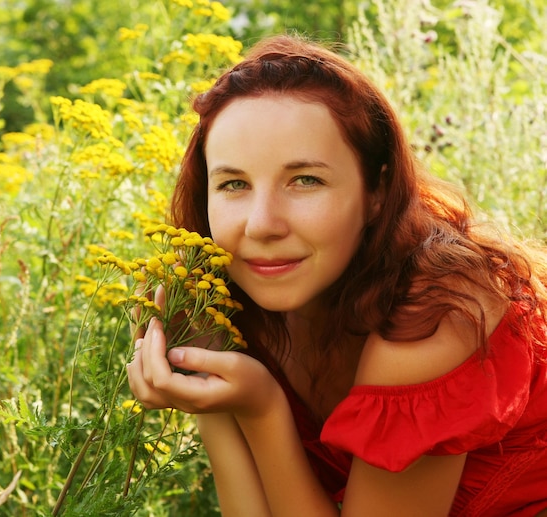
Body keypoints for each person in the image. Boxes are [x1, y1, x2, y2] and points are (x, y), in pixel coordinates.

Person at [127, 35, 547, 516]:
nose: (262, 224)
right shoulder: (221, 300)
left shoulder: (438, 311)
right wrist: (215, 394)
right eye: (234, 184)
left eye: (305, 180)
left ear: (377, 190)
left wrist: (260, 407)